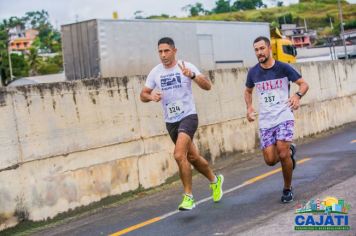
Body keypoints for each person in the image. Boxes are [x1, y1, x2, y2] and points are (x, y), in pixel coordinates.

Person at [140, 37, 224, 211]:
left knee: (179, 155)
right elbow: (143, 94)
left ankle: (188, 197)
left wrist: (192, 76)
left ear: (174, 51)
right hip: (171, 121)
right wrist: (151, 96)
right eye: (160, 52)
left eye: (166, 51)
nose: (163, 55)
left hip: (188, 116)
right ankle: (215, 181)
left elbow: (208, 86)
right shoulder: (156, 72)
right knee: (192, 157)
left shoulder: (186, 66)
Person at [244, 36, 309, 203]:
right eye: (256, 50)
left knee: (281, 150)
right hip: (266, 120)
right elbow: (248, 91)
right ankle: (290, 152)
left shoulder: (283, 68)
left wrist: (297, 95)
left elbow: (303, 84)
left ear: (269, 49)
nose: (259, 52)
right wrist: (249, 107)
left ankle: (287, 188)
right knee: (270, 160)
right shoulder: (253, 72)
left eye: (262, 49)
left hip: (284, 115)